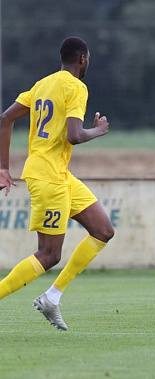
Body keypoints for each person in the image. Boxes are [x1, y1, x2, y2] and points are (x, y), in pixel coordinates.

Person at [0, 36, 114, 331]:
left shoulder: (42, 84)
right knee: (49, 254)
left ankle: (52, 297)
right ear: (83, 60)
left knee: (103, 231)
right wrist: (99, 131)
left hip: (60, 174)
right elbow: (74, 135)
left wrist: (3, 167)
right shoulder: (76, 87)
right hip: (47, 177)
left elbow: (4, 119)